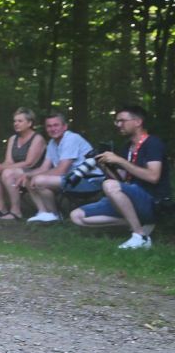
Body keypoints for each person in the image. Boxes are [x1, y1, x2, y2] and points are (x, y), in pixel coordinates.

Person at [70, 106, 170, 249]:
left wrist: (119, 160)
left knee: (109, 185)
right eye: (116, 121)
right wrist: (104, 166)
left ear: (138, 122)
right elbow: (120, 180)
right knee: (77, 216)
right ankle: (138, 222)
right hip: (130, 198)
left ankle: (140, 236)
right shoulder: (127, 146)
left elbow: (153, 176)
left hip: (152, 200)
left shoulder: (153, 143)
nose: (118, 125)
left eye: (122, 121)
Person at [22, 112, 101, 224]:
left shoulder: (71, 138)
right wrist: (27, 175)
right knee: (29, 179)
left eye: (56, 125)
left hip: (88, 180)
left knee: (39, 180)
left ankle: (54, 215)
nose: (52, 129)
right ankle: (43, 212)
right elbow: (44, 168)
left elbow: (61, 170)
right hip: (71, 179)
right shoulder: (52, 143)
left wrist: (36, 176)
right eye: (49, 126)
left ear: (64, 126)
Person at [0, 107, 47, 221]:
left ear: (29, 123)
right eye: (15, 121)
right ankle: (1, 208)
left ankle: (16, 212)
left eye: (20, 121)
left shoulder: (37, 138)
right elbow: (9, 161)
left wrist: (4, 168)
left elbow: (29, 163)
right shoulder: (13, 138)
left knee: (8, 173)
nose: (16, 124)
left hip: (34, 171)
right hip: (15, 170)